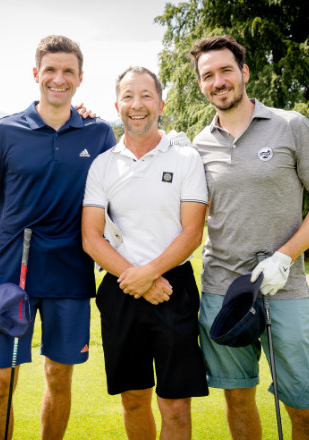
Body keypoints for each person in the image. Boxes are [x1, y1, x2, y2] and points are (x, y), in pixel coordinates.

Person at [0, 35, 116, 439]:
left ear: (80, 78)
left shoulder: (98, 134)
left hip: (71, 277)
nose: (58, 79)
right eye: (50, 70)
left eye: (68, 71)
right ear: (36, 74)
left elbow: (119, 197)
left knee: (59, 377)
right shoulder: (3, 131)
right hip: (13, 277)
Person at [188, 35, 309, 440]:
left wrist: (284, 257)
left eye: (225, 70)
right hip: (223, 290)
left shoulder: (290, 125)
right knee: (237, 400)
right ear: (201, 84)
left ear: (244, 72)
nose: (218, 81)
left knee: (303, 404)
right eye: (208, 75)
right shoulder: (196, 146)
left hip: (283, 287)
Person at [81, 66, 209, 440]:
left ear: (161, 103)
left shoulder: (186, 159)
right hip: (121, 290)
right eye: (128, 97)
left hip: (175, 289)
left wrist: (148, 274)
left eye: (146, 96)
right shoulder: (102, 165)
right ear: (117, 105)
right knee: (134, 399)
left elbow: (192, 232)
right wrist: (136, 279)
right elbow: (91, 238)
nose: (137, 105)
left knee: (176, 406)